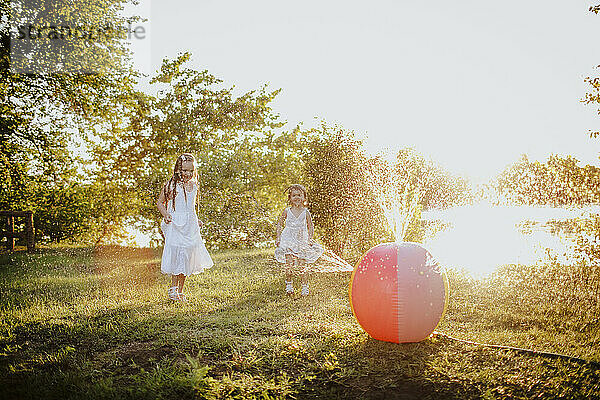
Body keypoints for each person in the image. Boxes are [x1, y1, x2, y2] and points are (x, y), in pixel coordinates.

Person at [157, 153, 213, 302]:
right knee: (177, 255)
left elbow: (190, 207)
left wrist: (196, 219)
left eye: (191, 171)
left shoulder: (194, 186)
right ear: (178, 169)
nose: (188, 174)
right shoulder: (171, 185)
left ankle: (180, 291)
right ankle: (173, 290)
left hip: (190, 226)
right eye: (185, 170)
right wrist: (166, 214)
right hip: (176, 224)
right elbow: (160, 203)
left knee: (187, 256)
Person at [275, 184, 324, 296]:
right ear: (290, 198)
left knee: (303, 264)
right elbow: (279, 224)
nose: (296, 197)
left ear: (304, 198)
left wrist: (310, 239)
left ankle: (305, 287)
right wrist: (278, 237)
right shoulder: (287, 211)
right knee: (289, 264)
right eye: (294, 195)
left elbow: (310, 226)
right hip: (288, 239)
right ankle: (289, 286)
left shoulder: (306, 212)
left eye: (299, 195)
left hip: (301, 240)